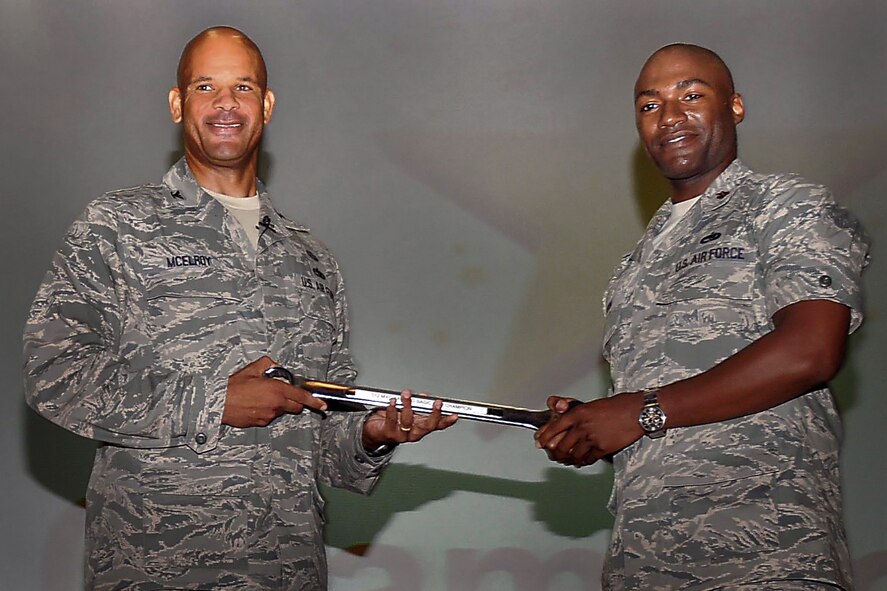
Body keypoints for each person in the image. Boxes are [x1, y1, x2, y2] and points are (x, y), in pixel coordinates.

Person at [23, 26, 456, 590]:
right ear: (178, 104)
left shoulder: (312, 258)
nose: (225, 102)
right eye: (206, 86)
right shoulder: (118, 226)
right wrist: (213, 402)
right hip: (156, 567)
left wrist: (372, 433)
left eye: (243, 87)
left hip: (287, 565)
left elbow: (323, 436)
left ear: (266, 105)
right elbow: (54, 373)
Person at [536, 43, 869, 590]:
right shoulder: (636, 262)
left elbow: (812, 351)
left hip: (765, 555)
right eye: (649, 105)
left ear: (735, 106)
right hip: (645, 563)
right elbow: (663, 404)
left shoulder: (785, 204)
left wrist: (639, 412)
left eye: (691, 95)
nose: (669, 117)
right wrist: (596, 424)